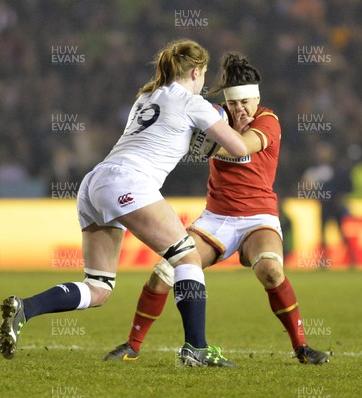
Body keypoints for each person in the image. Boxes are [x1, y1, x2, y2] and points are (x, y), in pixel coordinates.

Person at [0, 39, 248, 367]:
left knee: (98, 288)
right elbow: (240, 149)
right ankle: (196, 349)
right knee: (187, 256)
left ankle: (25, 308)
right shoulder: (192, 102)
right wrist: (232, 135)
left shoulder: (146, 96)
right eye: (203, 74)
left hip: (95, 183)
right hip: (129, 182)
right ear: (197, 71)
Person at [104, 52, 329, 365]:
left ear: (257, 99)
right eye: (234, 104)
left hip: (258, 219)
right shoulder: (214, 115)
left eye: (245, 103)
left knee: (271, 270)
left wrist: (209, 144)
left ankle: (302, 347)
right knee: (163, 273)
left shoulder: (268, 121)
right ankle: (131, 346)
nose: (240, 110)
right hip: (216, 219)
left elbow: (244, 145)